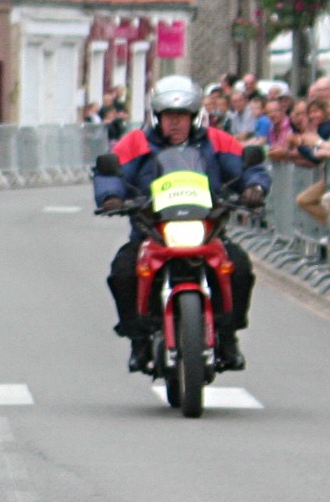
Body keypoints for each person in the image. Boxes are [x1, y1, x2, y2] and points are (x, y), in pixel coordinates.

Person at [95, 74, 266, 373]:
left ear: (194, 117)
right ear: (156, 116)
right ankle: (139, 339)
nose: (175, 123)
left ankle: (227, 335)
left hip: (206, 229)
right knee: (123, 271)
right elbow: (111, 170)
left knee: (239, 268)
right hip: (153, 232)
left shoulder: (216, 140)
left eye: (182, 116)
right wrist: (111, 196)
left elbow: (248, 165)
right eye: (168, 116)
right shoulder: (136, 141)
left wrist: (254, 187)